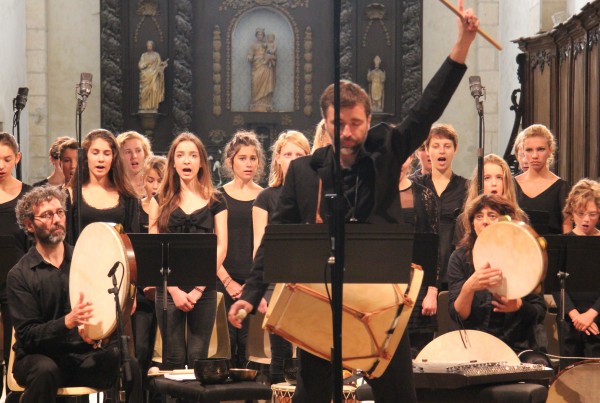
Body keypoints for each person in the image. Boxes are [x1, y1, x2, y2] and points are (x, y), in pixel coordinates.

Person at [229, 2, 479, 400]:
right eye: (338, 124)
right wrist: (249, 294)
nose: (347, 132)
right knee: (311, 395)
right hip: (321, 300)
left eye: (356, 123)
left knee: (399, 395)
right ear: (325, 122)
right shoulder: (304, 172)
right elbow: (277, 238)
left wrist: (462, 43)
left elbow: (427, 107)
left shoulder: (387, 150)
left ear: (369, 117)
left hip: (379, 300)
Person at [8, 185, 142, 402]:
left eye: (59, 212)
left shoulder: (87, 259)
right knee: (45, 371)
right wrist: (67, 322)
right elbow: (28, 336)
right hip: (37, 357)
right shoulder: (20, 275)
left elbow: (102, 306)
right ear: (29, 224)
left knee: (128, 364)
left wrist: (99, 334)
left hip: (80, 355)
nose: (57, 219)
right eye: (47, 215)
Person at [148, 132, 228, 368]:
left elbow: (221, 246)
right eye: (181, 155)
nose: (186, 161)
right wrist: (174, 291)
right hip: (169, 288)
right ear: (172, 162)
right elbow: (154, 249)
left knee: (197, 357)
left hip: (203, 289)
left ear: (202, 161)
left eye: (193, 155)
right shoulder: (159, 200)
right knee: (172, 357)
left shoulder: (216, 200)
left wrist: (197, 290)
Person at [448, 194, 546, 352]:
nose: (484, 221)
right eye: (478, 216)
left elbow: (539, 311)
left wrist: (519, 306)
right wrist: (468, 288)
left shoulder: (525, 254)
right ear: (473, 224)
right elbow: (458, 315)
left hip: (516, 344)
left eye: (492, 215)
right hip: (472, 343)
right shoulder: (459, 257)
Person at [252, 130, 310, 382]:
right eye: (288, 154)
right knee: (281, 352)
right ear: (277, 158)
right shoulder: (266, 197)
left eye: (300, 154)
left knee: (310, 351)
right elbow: (259, 247)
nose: (294, 159)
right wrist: (263, 290)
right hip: (276, 283)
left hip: (309, 282)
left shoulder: (315, 195)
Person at [218, 131, 265, 367]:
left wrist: (252, 284)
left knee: (249, 349)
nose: (248, 164)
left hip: (252, 281)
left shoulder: (264, 197)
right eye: (242, 158)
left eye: (253, 158)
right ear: (230, 162)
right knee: (226, 347)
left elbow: (262, 243)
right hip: (223, 279)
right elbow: (215, 244)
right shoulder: (218, 196)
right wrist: (228, 282)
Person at [414, 124, 468, 291]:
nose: (441, 151)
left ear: (455, 149)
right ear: (428, 151)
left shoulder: (466, 187)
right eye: (435, 146)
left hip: (453, 270)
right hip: (420, 270)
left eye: (447, 146)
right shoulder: (415, 185)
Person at [0, 132, 32, 398]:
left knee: (13, 350)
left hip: (15, 286)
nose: (0, 165)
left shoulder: (28, 196)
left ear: (17, 158)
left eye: (6, 159)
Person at [66, 129, 140, 243]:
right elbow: (67, 241)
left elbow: (132, 241)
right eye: (95, 153)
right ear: (86, 157)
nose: (101, 159)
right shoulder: (71, 194)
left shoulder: (127, 196)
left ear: (113, 157)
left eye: (106, 153)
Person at [398, 154, 439, 357]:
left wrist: (432, 291)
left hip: (418, 286)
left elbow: (432, 247)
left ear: (411, 158)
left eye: (402, 157)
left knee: (418, 356)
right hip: (384, 289)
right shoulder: (373, 196)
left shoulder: (424, 195)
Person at [557, 179, 600, 362]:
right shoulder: (562, 244)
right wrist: (575, 316)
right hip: (570, 320)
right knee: (570, 374)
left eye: (593, 214)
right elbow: (556, 284)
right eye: (581, 213)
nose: (586, 220)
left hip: (597, 318)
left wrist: (591, 314)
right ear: (571, 212)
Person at [455, 153, 528, 241]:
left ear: (506, 182)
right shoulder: (464, 219)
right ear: (478, 183)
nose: (494, 183)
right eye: (487, 178)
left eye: (499, 178)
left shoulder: (519, 217)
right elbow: (461, 252)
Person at [514, 124, 571, 234]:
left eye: (540, 149)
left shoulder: (562, 188)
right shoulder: (512, 185)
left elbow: (567, 231)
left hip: (552, 249)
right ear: (523, 152)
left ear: (550, 150)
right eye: (529, 150)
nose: (535, 155)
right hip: (517, 248)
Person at [117, 130, 153, 198]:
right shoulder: (114, 186)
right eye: (128, 152)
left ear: (145, 153)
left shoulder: (156, 184)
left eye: (138, 151)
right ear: (119, 156)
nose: (134, 156)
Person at [247, 28, 275, 112]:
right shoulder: (253, 45)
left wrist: (270, 56)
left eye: (261, 34)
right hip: (256, 66)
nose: (260, 36)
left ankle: (265, 104)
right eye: (258, 34)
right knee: (256, 83)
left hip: (265, 66)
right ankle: (255, 103)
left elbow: (272, 53)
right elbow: (250, 54)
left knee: (265, 84)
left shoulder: (266, 45)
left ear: (263, 36)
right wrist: (249, 57)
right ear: (256, 35)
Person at [138, 40, 168, 111]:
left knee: (154, 89)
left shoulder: (156, 55)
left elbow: (159, 64)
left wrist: (163, 64)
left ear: (153, 46)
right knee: (144, 91)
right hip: (146, 76)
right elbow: (140, 65)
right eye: (148, 46)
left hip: (154, 75)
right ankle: (144, 106)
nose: (149, 47)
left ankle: (153, 106)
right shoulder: (144, 55)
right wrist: (147, 63)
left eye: (150, 46)